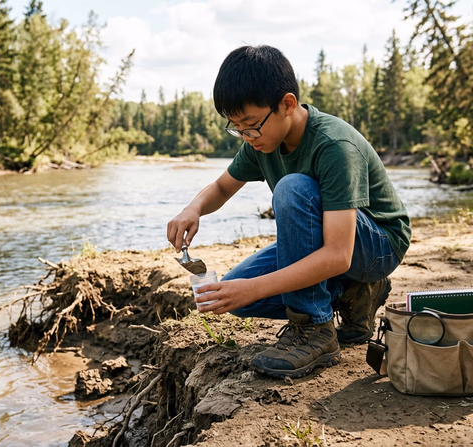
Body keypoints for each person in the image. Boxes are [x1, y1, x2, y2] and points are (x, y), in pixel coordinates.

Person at [166, 45, 411, 379]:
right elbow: (222, 187)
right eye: (235, 127)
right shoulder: (260, 142)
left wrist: (258, 286)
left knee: (293, 188)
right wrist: (191, 209)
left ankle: (314, 330)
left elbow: (339, 255)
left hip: (377, 246)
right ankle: (356, 292)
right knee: (235, 295)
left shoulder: (334, 146)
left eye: (250, 125)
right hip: (335, 243)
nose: (245, 136)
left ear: (287, 104)